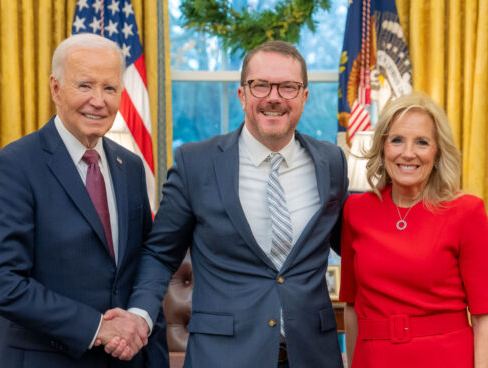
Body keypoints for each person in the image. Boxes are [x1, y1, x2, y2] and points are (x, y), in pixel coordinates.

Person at [111, 40, 349, 368]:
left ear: (305, 97)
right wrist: (139, 315)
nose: (274, 97)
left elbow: (353, 244)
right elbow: (159, 254)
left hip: (313, 355)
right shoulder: (196, 163)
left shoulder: (332, 162)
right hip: (223, 356)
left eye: (288, 87)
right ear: (242, 95)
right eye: (261, 85)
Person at [0, 33, 168, 368]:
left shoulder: (131, 166)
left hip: (128, 360)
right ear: (55, 88)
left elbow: (144, 261)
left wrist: (138, 320)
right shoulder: (15, 165)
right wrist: (97, 328)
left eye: (109, 88)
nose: (99, 100)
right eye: (85, 86)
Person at [340, 92, 488, 368]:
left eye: (422, 142)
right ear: (383, 147)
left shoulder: (467, 212)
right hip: (374, 360)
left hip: (446, 358)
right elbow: (352, 307)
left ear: (437, 152)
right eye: (397, 140)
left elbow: (484, 317)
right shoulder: (356, 209)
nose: (408, 153)